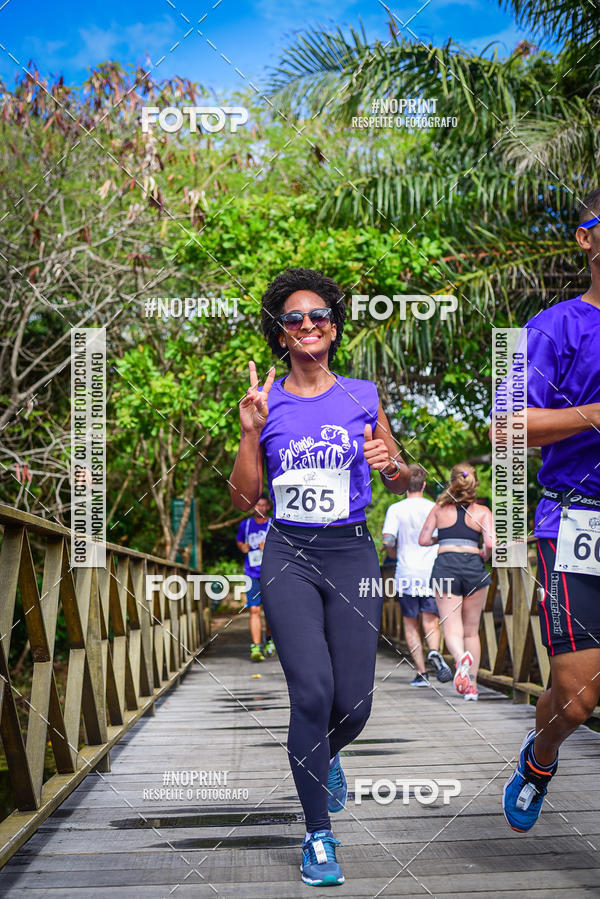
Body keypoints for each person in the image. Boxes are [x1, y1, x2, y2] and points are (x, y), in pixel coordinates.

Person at [228, 267, 410, 888]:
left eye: (319, 317)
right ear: (280, 334)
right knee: (310, 692)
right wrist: (251, 432)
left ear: (334, 328)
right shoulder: (265, 401)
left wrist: (395, 468)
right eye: (294, 319)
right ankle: (317, 836)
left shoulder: (362, 392)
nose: (308, 326)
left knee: (353, 703)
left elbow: (401, 477)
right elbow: (243, 496)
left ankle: (325, 754)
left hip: (352, 554)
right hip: (288, 556)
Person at [495, 189, 600, 833]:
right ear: (587, 239)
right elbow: (504, 428)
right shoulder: (548, 326)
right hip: (576, 521)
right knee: (580, 698)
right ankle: (540, 760)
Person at [419, 463, 495, 700]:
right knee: (472, 631)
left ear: (451, 482)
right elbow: (491, 544)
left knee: (452, 627)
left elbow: (423, 539)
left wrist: (442, 539)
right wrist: (485, 554)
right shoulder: (483, 512)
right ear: (474, 483)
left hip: (446, 566)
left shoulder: (439, 509)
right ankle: (471, 686)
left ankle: (461, 657)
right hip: (474, 567)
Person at [382, 463, 452, 686]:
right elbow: (443, 538)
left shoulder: (396, 509)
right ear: (423, 484)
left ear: (404, 486)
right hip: (431, 572)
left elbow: (387, 540)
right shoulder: (434, 507)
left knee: (410, 624)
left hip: (406, 573)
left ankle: (422, 673)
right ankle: (434, 652)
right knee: (431, 622)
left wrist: (392, 550)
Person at [235, 492, 275, 661]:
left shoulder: (273, 524)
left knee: (271, 611)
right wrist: (243, 547)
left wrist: (269, 545)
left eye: (263, 505)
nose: (260, 508)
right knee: (254, 608)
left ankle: (270, 639)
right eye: (257, 505)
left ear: (268, 507)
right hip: (251, 571)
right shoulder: (245, 524)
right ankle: (256, 647)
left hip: (271, 572)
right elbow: (239, 541)